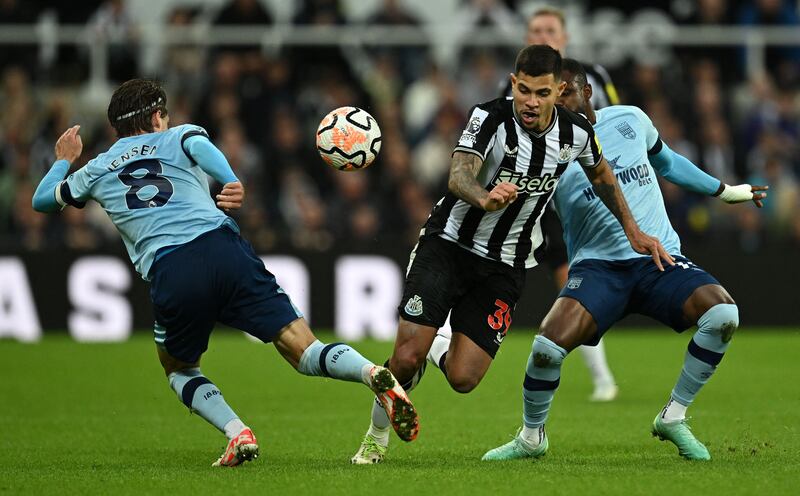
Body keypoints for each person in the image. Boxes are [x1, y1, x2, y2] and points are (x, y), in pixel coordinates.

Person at [31, 79, 419, 468]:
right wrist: (231, 179)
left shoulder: (97, 168)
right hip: (223, 248)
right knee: (305, 350)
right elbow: (199, 147)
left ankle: (238, 433)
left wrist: (65, 158)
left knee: (179, 368)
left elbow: (42, 201)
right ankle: (371, 372)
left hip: (172, 268)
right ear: (155, 116)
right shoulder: (179, 135)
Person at [351, 45, 672, 464]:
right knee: (405, 358)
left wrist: (635, 231)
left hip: (506, 264)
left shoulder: (575, 132)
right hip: (447, 246)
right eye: (523, 90)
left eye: (541, 93)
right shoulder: (489, 117)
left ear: (558, 91)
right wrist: (485, 198)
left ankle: (436, 346)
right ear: (513, 83)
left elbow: (602, 174)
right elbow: (459, 174)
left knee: (464, 378)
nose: (530, 102)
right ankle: (375, 437)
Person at [481, 59, 768, 462]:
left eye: (565, 94)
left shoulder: (630, 119)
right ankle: (531, 438)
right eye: (553, 98)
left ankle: (673, 416)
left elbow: (668, 163)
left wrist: (724, 191)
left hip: (658, 258)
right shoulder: (546, 149)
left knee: (723, 316)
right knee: (547, 347)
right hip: (598, 268)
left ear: (586, 92)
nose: (558, 105)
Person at [524, 6, 621, 401]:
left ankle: (601, 377)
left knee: (572, 276)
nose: (542, 35)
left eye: (549, 29)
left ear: (564, 37)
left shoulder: (592, 76)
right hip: (537, 195)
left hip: (581, 188)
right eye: (535, 30)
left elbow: (612, 119)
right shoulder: (513, 84)